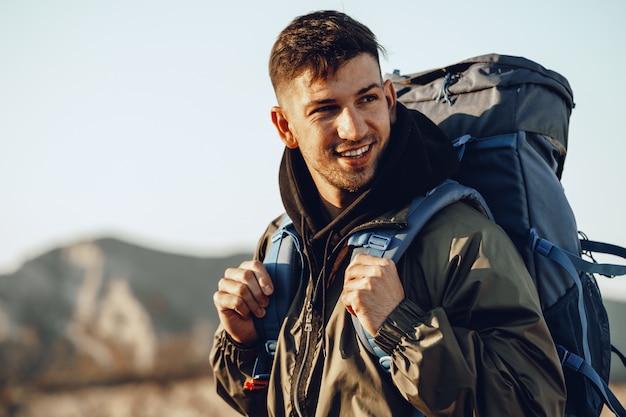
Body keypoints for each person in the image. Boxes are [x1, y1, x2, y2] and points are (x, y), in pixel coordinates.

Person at [210, 10, 566, 417]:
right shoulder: (281, 246)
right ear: (285, 126)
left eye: (367, 99)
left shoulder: (460, 240)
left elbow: (534, 404)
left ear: (390, 99)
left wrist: (403, 329)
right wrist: (245, 344)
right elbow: (266, 403)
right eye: (325, 109)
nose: (355, 128)